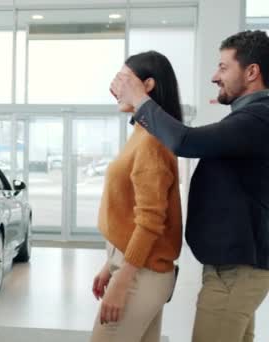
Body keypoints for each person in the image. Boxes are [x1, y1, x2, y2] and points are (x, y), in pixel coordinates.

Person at [111, 30, 269, 342]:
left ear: (252, 72)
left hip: (235, 272)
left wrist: (140, 100)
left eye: (223, 67)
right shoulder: (250, 118)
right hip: (236, 268)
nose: (215, 76)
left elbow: (186, 140)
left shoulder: (258, 118)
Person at [91, 50, 183, 342]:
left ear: (149, 85)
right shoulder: (144, 133)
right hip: (138, 268)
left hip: (140, 275)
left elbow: (150, 221)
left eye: (123, 79)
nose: (115, 87)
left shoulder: (152, 141)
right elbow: (131, 212)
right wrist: (111, 263)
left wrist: (122, 282)